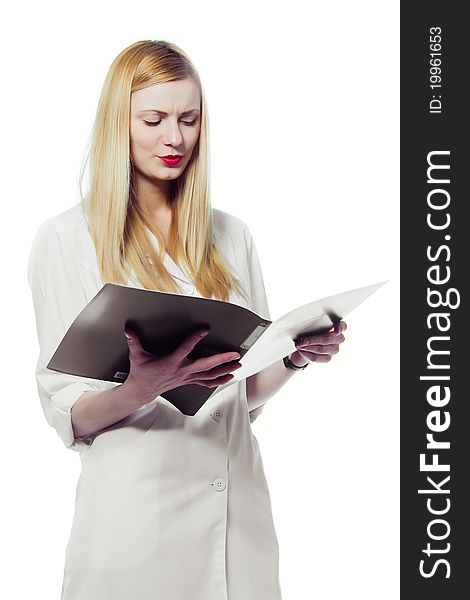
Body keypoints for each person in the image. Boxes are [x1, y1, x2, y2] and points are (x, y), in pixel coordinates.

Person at [27, 39, 347, 600]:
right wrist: (141, 388)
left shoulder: (231, 235)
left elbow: (239, 392)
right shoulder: (65, 239)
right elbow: (69, 414)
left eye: (188, 119)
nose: (174, 138)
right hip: (134, 526)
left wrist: (293, 355)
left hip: (237, 519)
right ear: (117, 124)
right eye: (153, 119)